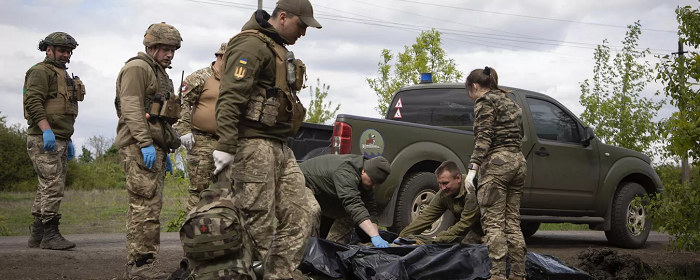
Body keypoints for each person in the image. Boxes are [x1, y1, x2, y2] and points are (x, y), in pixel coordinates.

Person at [212, 0, 322, 278]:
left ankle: (278, 275)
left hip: (280, 146)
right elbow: (230, 97)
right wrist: (226, 145)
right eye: (301, 25)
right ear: (283, 17)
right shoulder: (251, 45)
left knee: (305, 212)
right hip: (253, 144)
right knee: (256, 224)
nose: (304, 33)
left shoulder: (278, 49)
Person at [115, 22, 183, 279]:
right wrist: (145, 144)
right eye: (164, 48)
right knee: (145, 208)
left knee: (148, 206)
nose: (169, 54)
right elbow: (130, 108)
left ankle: (140, 264)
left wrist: (165, 145)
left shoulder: (159, 73)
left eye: (172, 50)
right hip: (139, 146)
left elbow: (161, 116)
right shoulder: (137, 68)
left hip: (154, 146)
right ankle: (142, 267)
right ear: (151, 46)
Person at [464, 67, 527, 280]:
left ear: (474, 86)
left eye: (469, 92)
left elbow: (484, 136)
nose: (470, 96)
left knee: (494, 223)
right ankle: (519, 274)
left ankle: (498, 275)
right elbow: (520, 134)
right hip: (518, 162)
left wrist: (472, 168)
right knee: (512, 223)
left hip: (497, 165)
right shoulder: (510, 100)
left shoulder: (484, 102)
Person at [24, 32, 83, 250]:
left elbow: (63, 109)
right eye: (62, 50)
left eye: (69, 51)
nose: (66, 55)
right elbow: (33, 102)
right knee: (52, 185)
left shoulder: (62, 74)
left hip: (60, 137)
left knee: (46, 186)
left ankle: (38, 235)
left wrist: (66, 139)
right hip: (44, 137)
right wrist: (46, 130)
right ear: (48, 50)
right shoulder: (40, 71)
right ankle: (50, 234)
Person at [174, 42, 227, 212]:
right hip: (202, 141)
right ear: (220, 57)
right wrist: (184, 130)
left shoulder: (236, 80)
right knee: (199, 188)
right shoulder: (200, 77)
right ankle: (192, 231)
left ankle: (217, 232)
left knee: (225, 190)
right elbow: (182, 102)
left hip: (227, 142)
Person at [300, 154, 392, 247]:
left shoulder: (366, 179)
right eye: (372, 181)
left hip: (323, 191)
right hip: (302, 182)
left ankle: (332, 248)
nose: (373, 186)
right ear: (363, 171)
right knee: (312, 209)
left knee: (349, 215)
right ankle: (308, 250)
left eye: (376, 184)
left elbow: (370, 209)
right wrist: (374, 235)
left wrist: (375, 235)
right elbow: (352, 203)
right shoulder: (346, 171)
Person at [396, 161, 483, 245]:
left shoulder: (471, 189)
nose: (443, 188)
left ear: (458, 178)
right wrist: (403, 236)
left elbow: (466, 223)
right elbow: (426, 217)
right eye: (440, 184)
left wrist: (438, 238)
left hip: (488, 227)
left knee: (466, 249)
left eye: (445, 183)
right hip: (471, 228)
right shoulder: (444, 194)